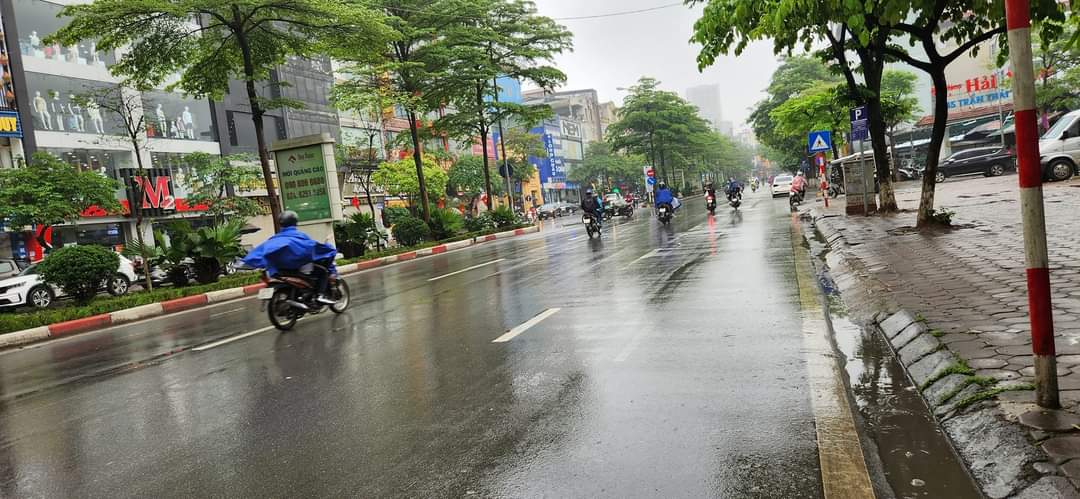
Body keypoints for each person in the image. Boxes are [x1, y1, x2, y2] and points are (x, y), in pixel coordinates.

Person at [243, 210, 338, 305]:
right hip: (297, 269)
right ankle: (320, 295)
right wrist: (327, 249)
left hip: (280, 271)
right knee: (323, 271)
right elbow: (312, 247)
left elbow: (260, 252)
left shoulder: (274, 239)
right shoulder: (300, 236)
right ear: (295, 222)